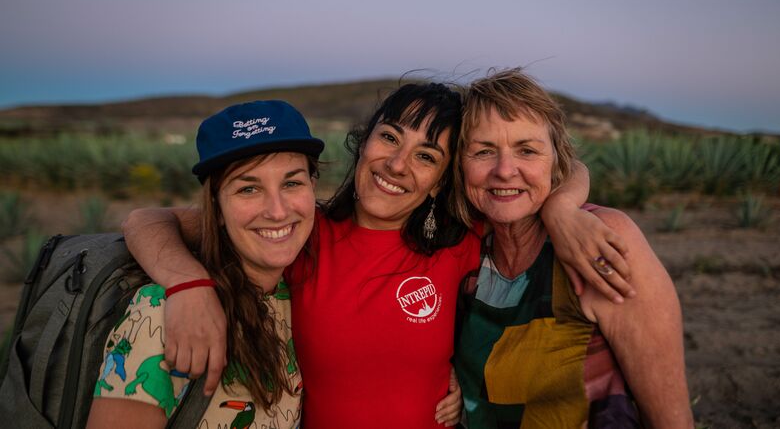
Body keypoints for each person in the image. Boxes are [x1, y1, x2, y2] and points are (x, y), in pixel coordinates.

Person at [122, 82, 634, 428]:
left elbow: (554, 172)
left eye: (426, 156)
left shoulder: (459, 243)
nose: (397, 164)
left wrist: (565, 210)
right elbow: (146, 221)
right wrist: (188, 284)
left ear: (439, 183)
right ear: (364, 142)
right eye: (389, 137)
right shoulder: (301, 230)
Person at [452, 68, 693, 428]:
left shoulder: (602, 240)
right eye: (484, 151)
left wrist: (560, 208)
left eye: (527, 150)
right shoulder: (462, 246)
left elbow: (670, 420)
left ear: (556, 160)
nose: (505, 170)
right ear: (459, 164)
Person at [87, 100, 324, 428]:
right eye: (249, 188)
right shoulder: (163, 312)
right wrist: (190, 286)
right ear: (216, 206)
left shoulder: (301, 287)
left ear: (313, 186)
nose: (278, 211)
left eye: (292, 183)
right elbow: (142, 219)